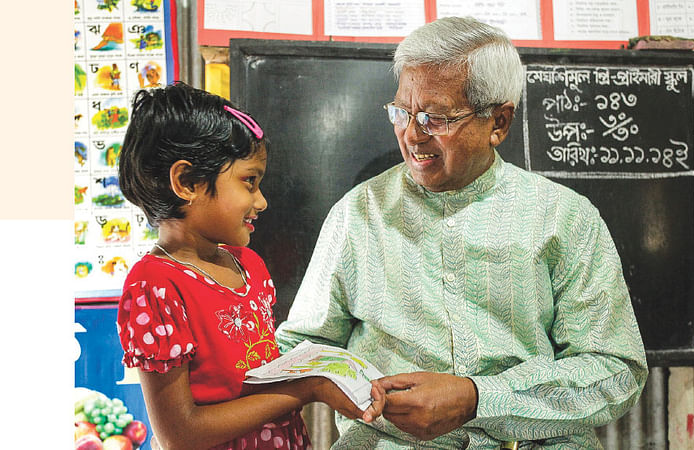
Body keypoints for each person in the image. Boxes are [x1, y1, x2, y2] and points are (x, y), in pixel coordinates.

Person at [275, 16, 648, 449]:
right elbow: (302, 348)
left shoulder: (564, 218)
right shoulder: (359, 214)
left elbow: (616, 369)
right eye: (402, 112)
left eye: (435, 118)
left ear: (499, 123)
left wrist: (478, 399)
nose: (412, 135)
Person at [115, 82, 384, 450]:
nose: (261, 201)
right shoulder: (154, 285)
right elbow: (181, 434)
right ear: (187, 182)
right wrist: (305, 389)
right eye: (249, 182)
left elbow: (257, 376)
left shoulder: (249, 265)